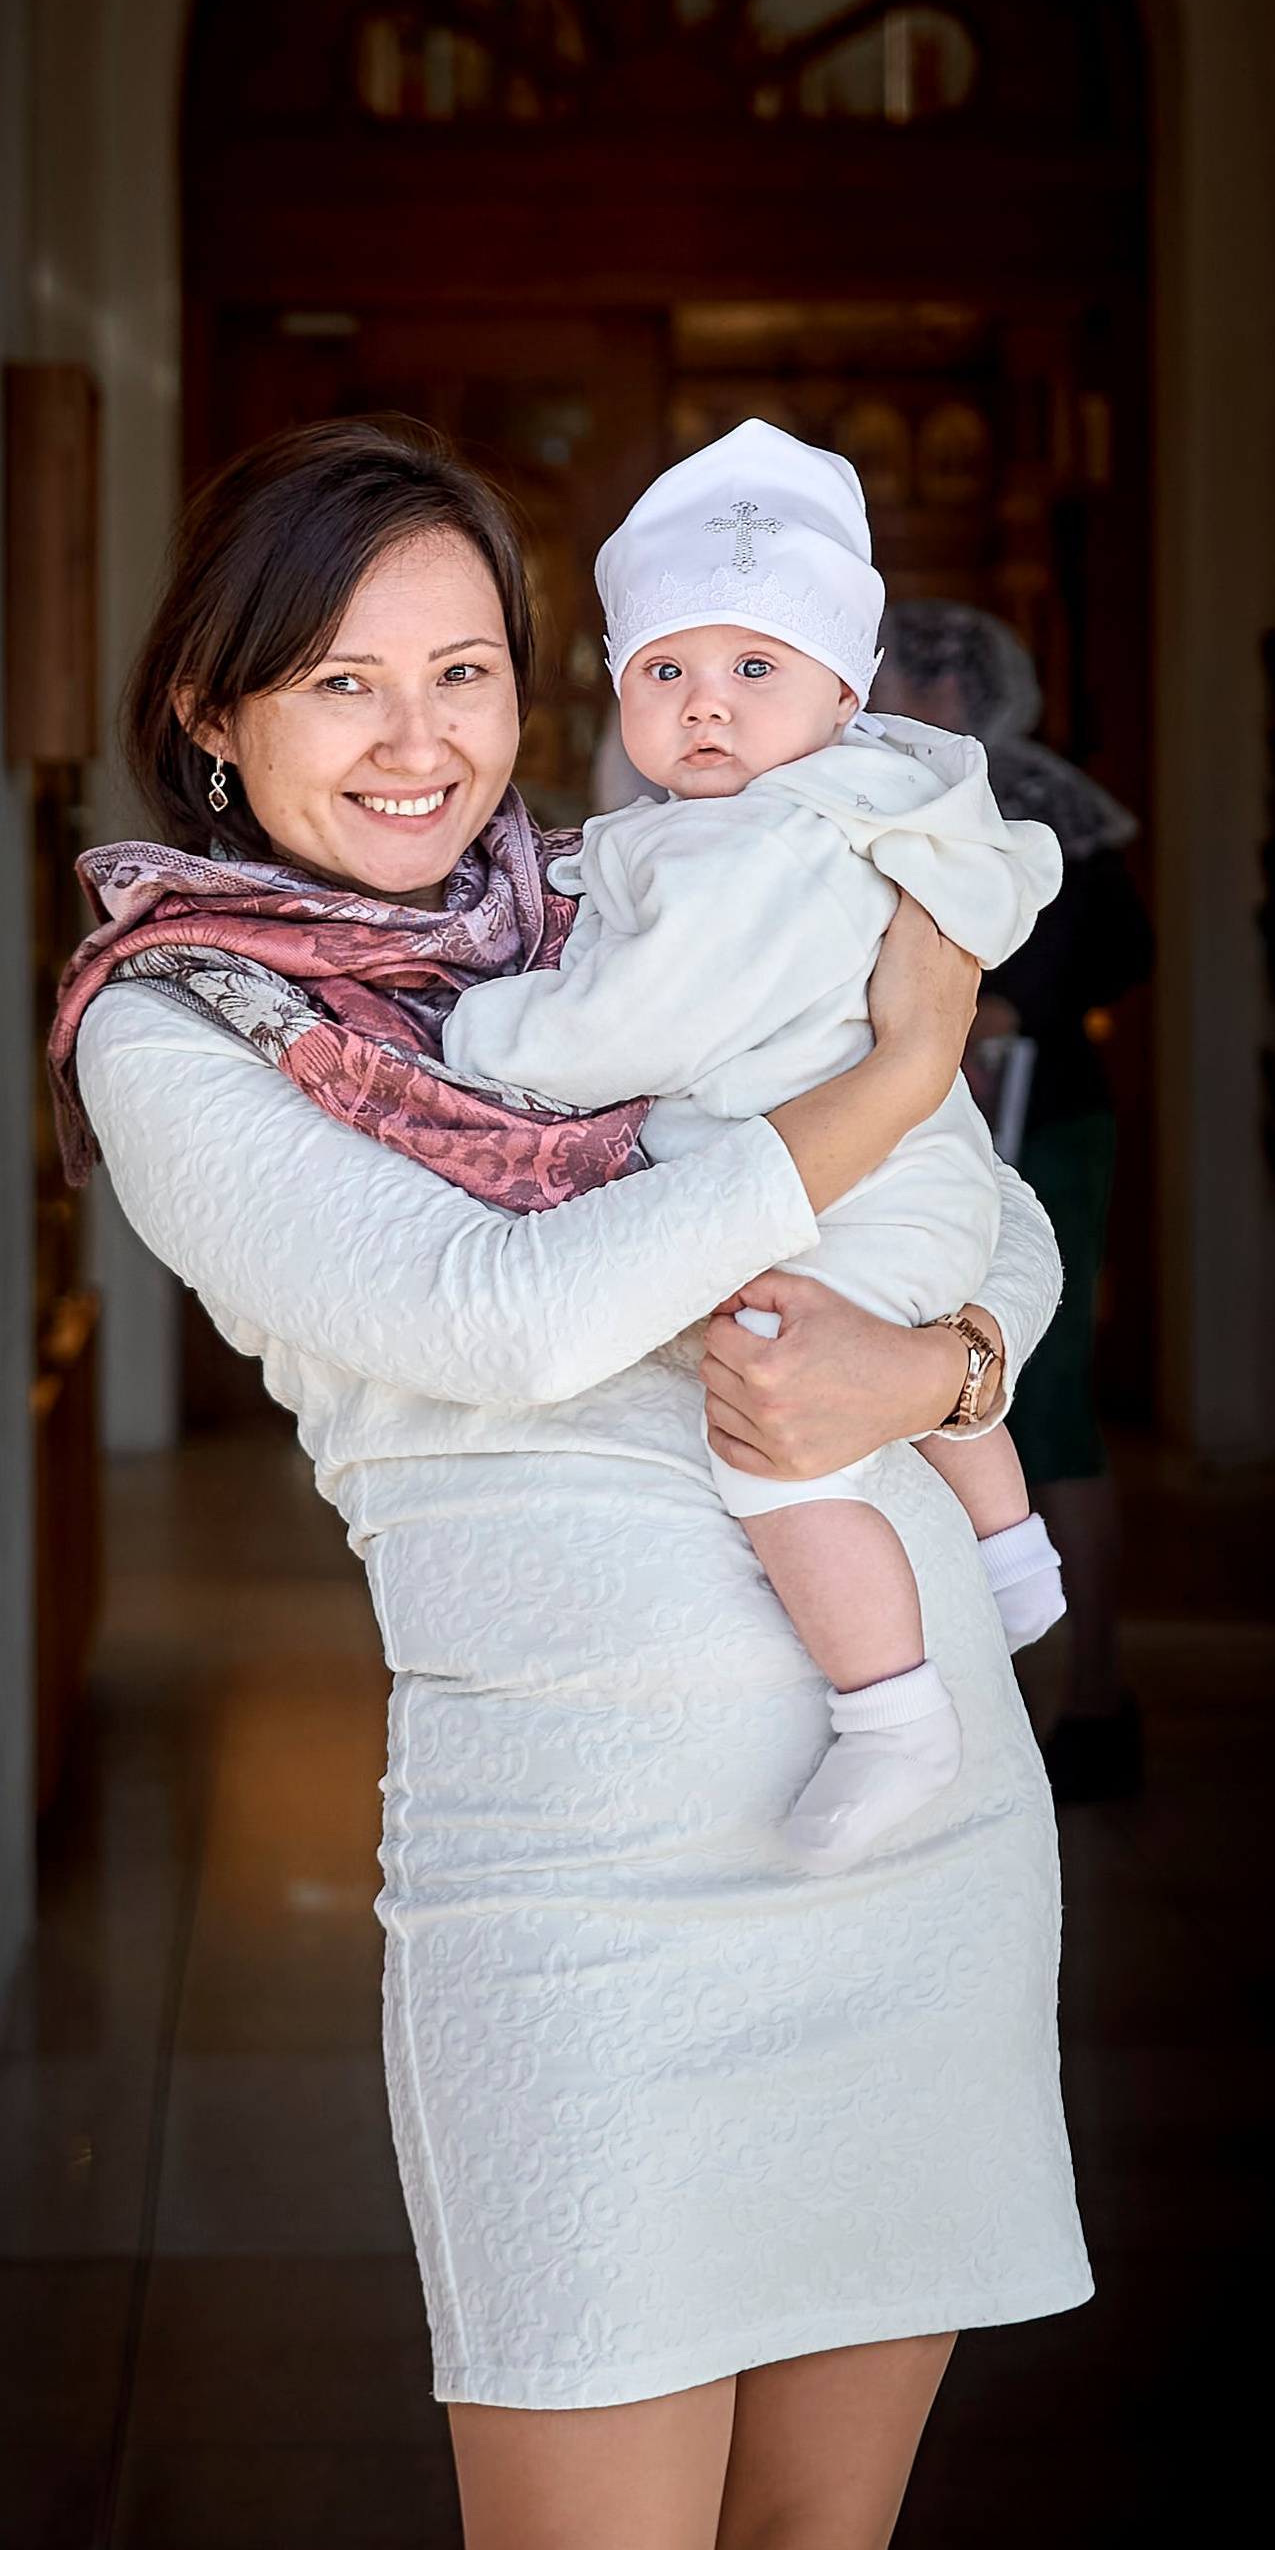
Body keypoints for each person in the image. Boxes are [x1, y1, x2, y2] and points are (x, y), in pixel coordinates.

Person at [51, 421, 1090, 2550]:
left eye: (465, 671)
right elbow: (508, 1320)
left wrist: (920, 1360)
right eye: (336, 683)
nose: (418, 743)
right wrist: (895, 1064)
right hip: (586, 1892)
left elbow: (997, 1230)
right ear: (210, 712)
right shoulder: (181, 1026)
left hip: (911, 1830)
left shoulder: (640, 886)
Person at [443, 420, 1071, 1868]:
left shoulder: (749, 848)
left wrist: (478, 1036)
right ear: (617, 690)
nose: (706, 707)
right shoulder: (836, 808)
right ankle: (1013, 1550)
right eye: (667, 670)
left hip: (839, 1192)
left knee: (776, 1438)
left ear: (843, 691)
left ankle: (892, 1710)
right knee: (911, 1342)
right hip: (923, 1181)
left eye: (752, 669)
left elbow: (629, 1024)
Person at [876, 599, 1157, 1804]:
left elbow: (1112, 952)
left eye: (940, 684)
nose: (919, 702)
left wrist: (1008, 1011)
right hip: (925, 1126)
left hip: (1044, 1125)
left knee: (1042, 1393)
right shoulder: (873, 788)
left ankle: (1090, 1683)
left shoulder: (1045, 806)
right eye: (905, 677)